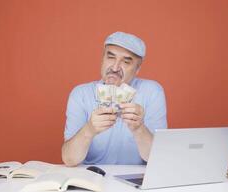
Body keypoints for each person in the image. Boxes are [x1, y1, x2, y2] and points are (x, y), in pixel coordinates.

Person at [62, 31, 167, 166]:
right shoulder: (80, 94)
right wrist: (89, 130)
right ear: (102, 59)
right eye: (110, 57)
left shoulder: (152, 92)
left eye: (126, 61)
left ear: (137, 68)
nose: (115, 67)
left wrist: (139, 128)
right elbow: (69, 159)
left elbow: (158, 160)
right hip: (91, 177)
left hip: (133, 180)